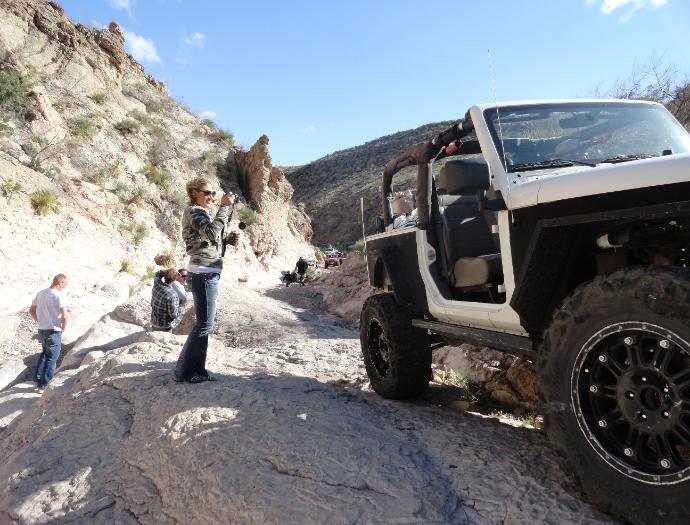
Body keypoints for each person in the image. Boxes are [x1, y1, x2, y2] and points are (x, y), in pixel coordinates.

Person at [174, 177, 236, 383]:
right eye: (207, 192)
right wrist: (224, 207)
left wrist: (225, 241)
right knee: (204, 325)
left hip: (206, 272)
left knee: (205, 325)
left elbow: (208, 239)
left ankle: (197, 370)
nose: (211, 196)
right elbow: (210, 232)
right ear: (194, 193)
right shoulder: (194, 211)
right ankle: (185, 372)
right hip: (204, 273)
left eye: (213, 193)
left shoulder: (199, 212)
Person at [29, 274, 69, 391]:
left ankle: (37, 380)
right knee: (52, 358)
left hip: (42, 329)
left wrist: (40, 321)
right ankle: (44, 385)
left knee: (44, 354)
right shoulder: (58, 295)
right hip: (53, 330)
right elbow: (65, 316)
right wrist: (63, 327)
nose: (65, 286)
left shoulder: (41, 293)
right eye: (65, 284)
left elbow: (31, 311)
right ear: (60, 283)